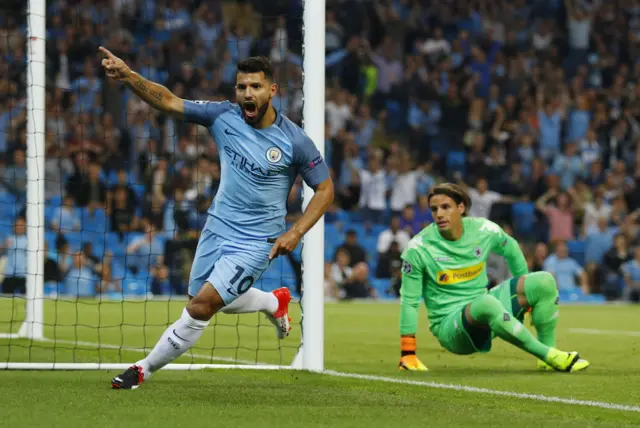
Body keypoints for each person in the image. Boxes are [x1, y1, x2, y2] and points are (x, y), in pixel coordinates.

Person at [100, 47, 334, 389]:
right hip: (217, 227)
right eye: (242, 87)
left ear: (272, 91)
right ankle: (274, 301)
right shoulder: (222, 116)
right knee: (201, 296)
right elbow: (168, 100)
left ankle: (141, 369)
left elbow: (325, 190)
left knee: (202, 306)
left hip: (258, 240)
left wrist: (296, 232)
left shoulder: (294, 141)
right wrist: (129, 76)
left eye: (255, 87)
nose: (247, 94)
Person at [397, 183, 590, 373]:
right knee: (486, 302)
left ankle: (548, 358)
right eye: (434, 209)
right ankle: (550, 355)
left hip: (486, 310)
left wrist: (526, 292)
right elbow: (410, 301)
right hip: (451, 328)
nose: (439, 214)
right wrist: (408, 352)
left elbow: (512, 248)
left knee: (544, 281)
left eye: (445, 207)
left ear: (461, 207)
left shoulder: (483, 230)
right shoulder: (418, 248)